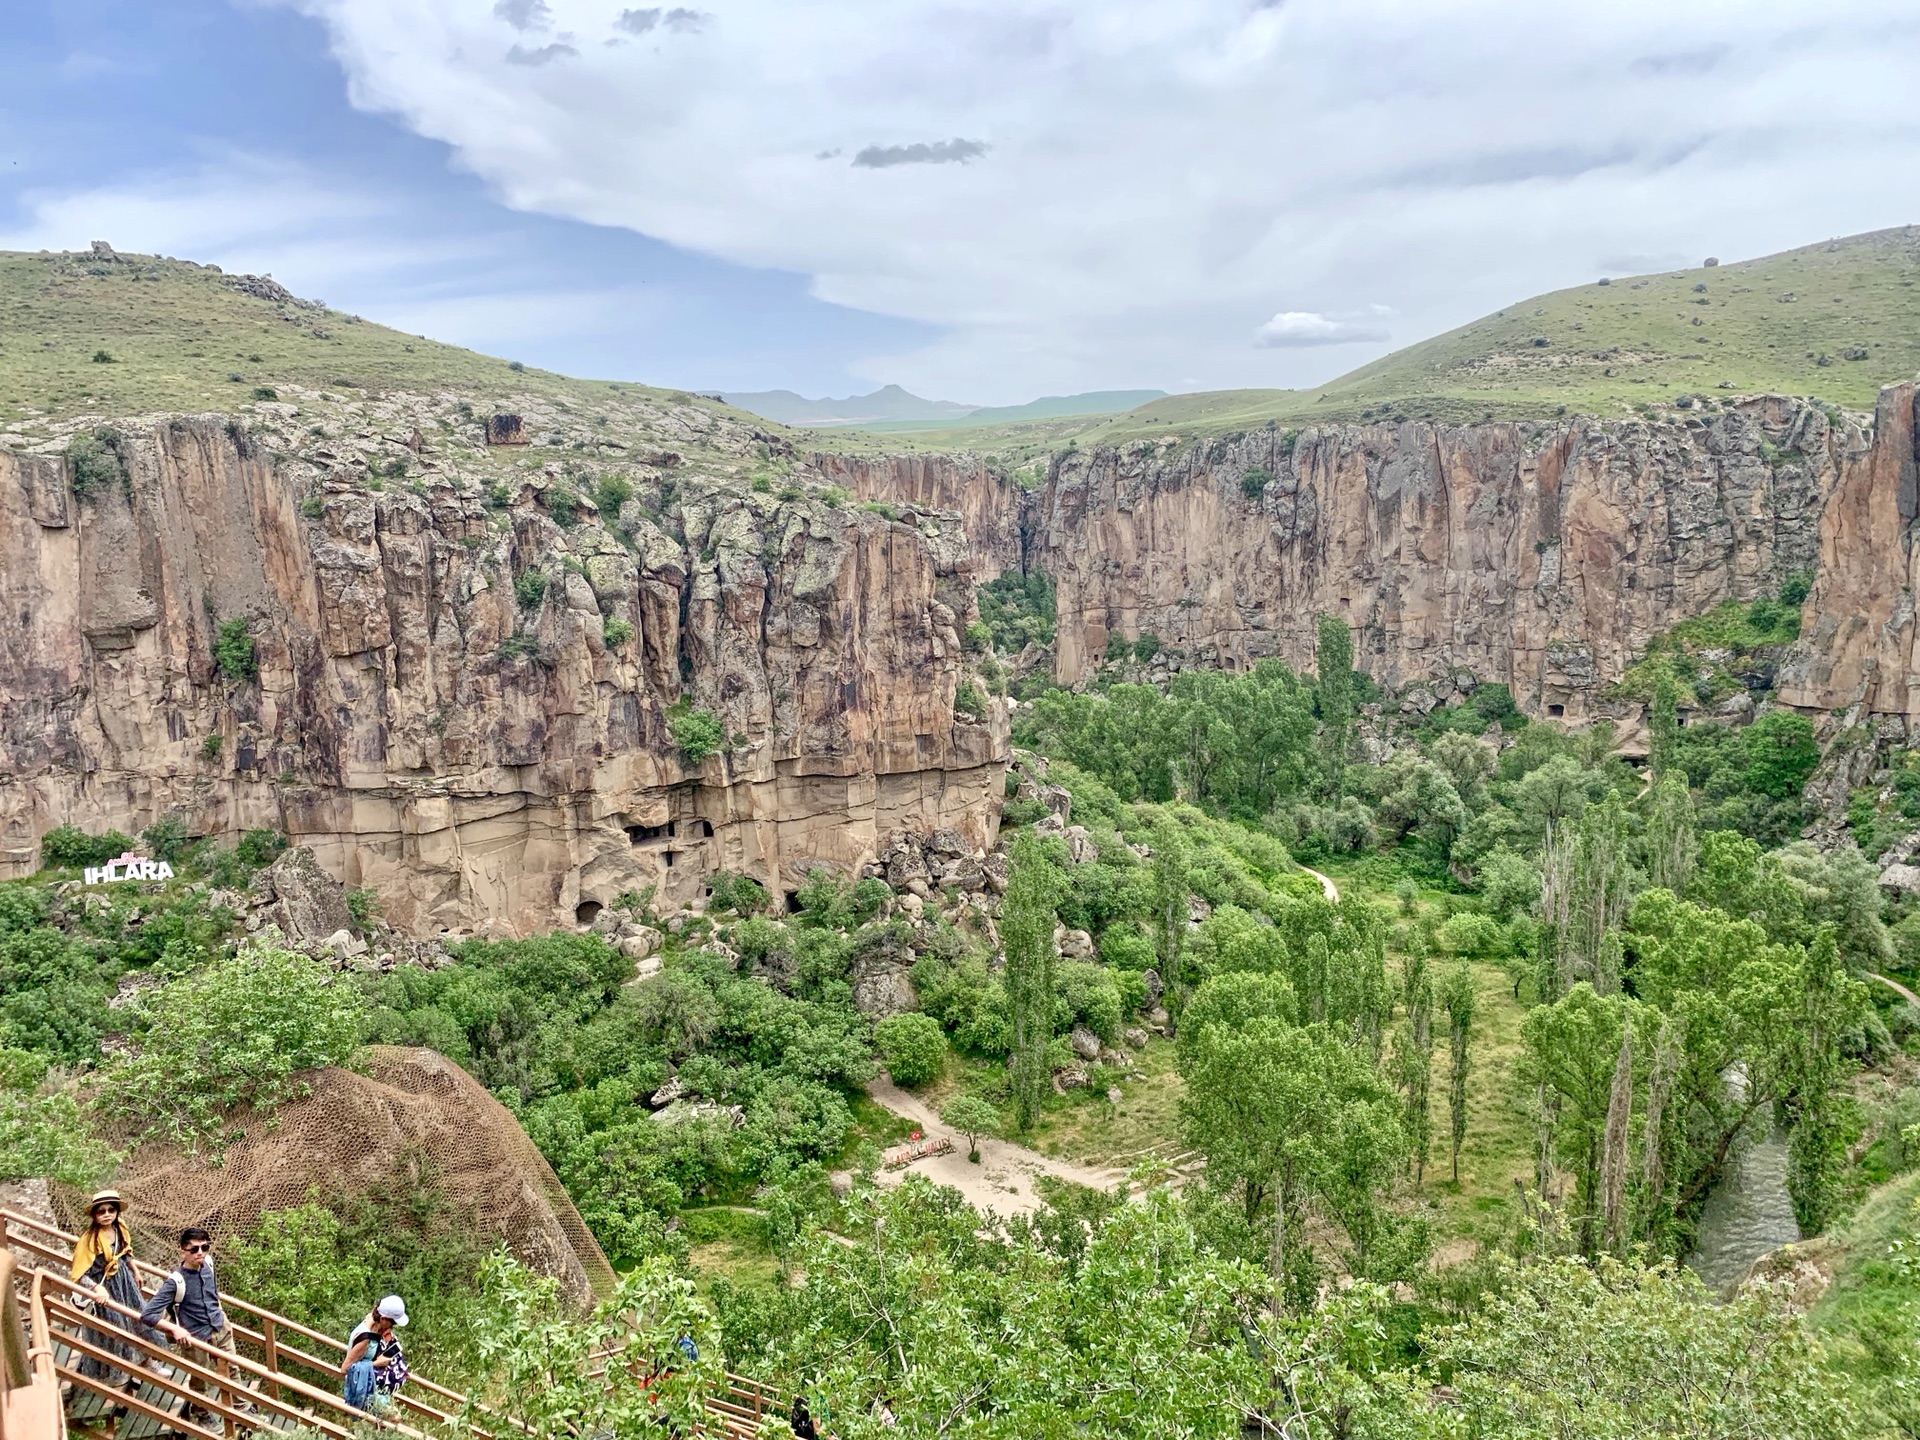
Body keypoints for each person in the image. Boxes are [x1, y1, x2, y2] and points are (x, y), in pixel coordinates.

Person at [141, 1228, 248, 1421]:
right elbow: (147, 1314)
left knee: (232, 1366)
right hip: (195, 1336)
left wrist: (220, 1313)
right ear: (183, 1249)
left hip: (219, 1326)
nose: (200, 1252)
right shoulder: (176, 1282)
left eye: (204, 1247)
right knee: (200, 1377)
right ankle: (201, 1412)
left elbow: (212, 1293)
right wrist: (175, 1328)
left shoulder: (208, 1265)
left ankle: (240, 1407)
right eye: (194, 1249)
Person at [69, 1190, 154, 1391]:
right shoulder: (89, 1240)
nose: (106, 1214)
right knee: (115, 1328)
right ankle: (115, 1370)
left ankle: (146, 1362)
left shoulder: (120, 1229)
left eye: (110, 1210)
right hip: (103, 1286)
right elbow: (79, 1274)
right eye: (101, 1211)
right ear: (94, 1215)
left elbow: (125, 1252)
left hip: (124, 1281)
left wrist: (135, 1271)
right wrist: (97, 1288)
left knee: (139, 1318)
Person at [342, 1296, 408, 1413]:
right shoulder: (364, 1339)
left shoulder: (371, 1321)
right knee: (395, 1417)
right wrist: (377, 1363)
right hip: (360, 1387)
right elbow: (345, 1368)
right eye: (392, 1322)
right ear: (383, 1318)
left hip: (369, 1384)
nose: (393, 1326)